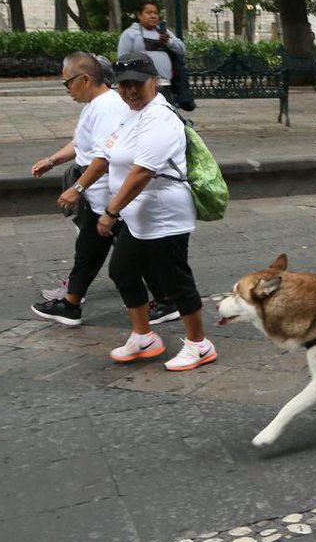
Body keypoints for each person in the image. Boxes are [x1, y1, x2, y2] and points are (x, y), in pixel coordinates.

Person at [66, 53, 217, 371]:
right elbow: (104, 156)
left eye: (137, 84)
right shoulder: (130, 115)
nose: (130, 91)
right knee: (123, 271)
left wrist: (110, 211)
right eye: (123, 86)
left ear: (155, 82)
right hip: (137, 214)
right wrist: (79, 188)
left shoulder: (160, 118)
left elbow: (141, 173)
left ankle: (199, 344)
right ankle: (144, 336)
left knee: (175, 281)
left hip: (163, 214)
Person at [31, 53, 178, 327]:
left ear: (85, 79)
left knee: (127, 260)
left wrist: (79, 188)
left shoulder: (111, 107)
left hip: (112, 196)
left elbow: (107, 158)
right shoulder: (98, 106)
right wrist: (52, 161)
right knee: (96, 250)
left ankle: (164, 312)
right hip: (104, 198)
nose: (67, 90)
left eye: (67, 83)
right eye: (124, 86)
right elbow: (85, 145)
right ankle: (74, 303)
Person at [116, 0, 186, 104]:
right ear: (139, 15)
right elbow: (122, 60)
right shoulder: (129, 34)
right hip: (141, 85)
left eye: (156, 13)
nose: (153, 16)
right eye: (149, 13)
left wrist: (168, 42)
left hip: (164, 84)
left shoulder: (165, 33)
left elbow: (182, 49)